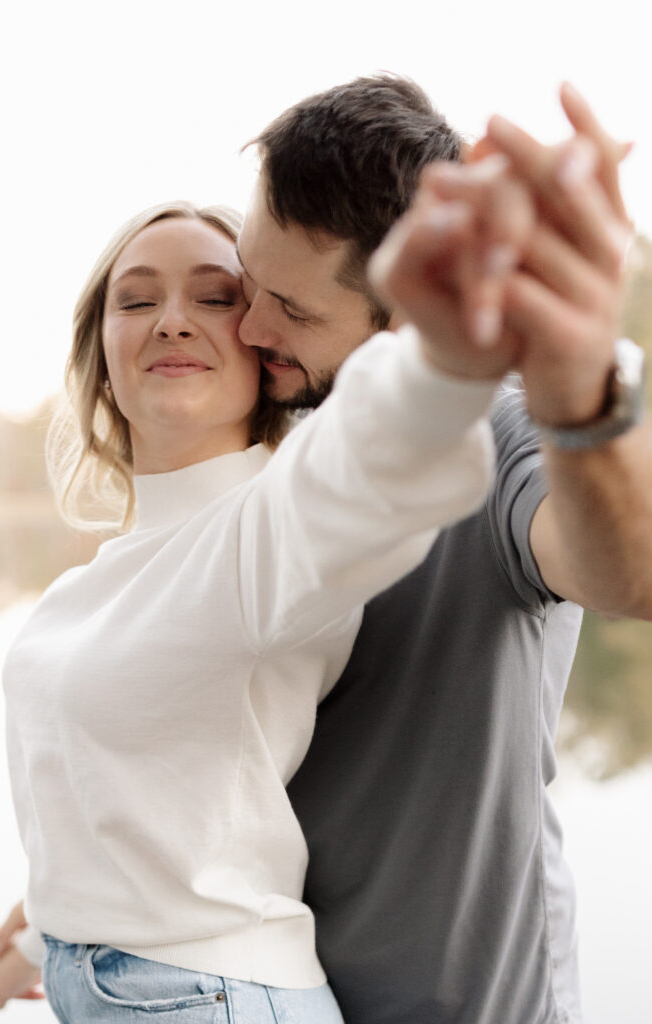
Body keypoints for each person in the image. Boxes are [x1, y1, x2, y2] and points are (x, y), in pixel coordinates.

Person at [0, 196, 498, 1022]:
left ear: (268, 346)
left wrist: (443, 329)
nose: (173, 321)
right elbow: (139, 815)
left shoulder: (270, 527)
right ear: (102, 355)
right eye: (138, 299)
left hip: (212, 996)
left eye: (215, 297)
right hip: (117, 987)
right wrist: (43, 935)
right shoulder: (94, 585)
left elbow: (388, 459)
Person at [232, 75, 651, 1024]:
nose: (251, 330)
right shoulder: (267, 465)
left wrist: (579, 387)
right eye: (250, 286)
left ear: (405, 317)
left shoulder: (499, 438)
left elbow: (630, 569)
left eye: (292, 314)